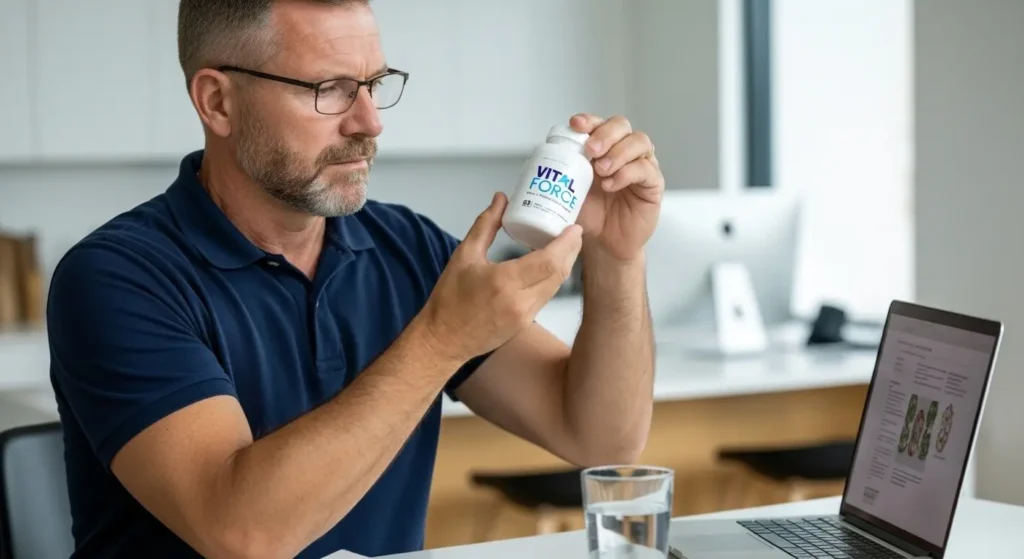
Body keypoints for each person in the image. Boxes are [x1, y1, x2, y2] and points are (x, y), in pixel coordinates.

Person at [46, 1, 665, 558]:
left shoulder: (406, 249)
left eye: (374, 84)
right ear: (217, 102)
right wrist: (442, 338)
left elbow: (601, 438)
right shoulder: (116, 278)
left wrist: (615, 256)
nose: (370, 123)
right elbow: (242, 536)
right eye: (331, 89)